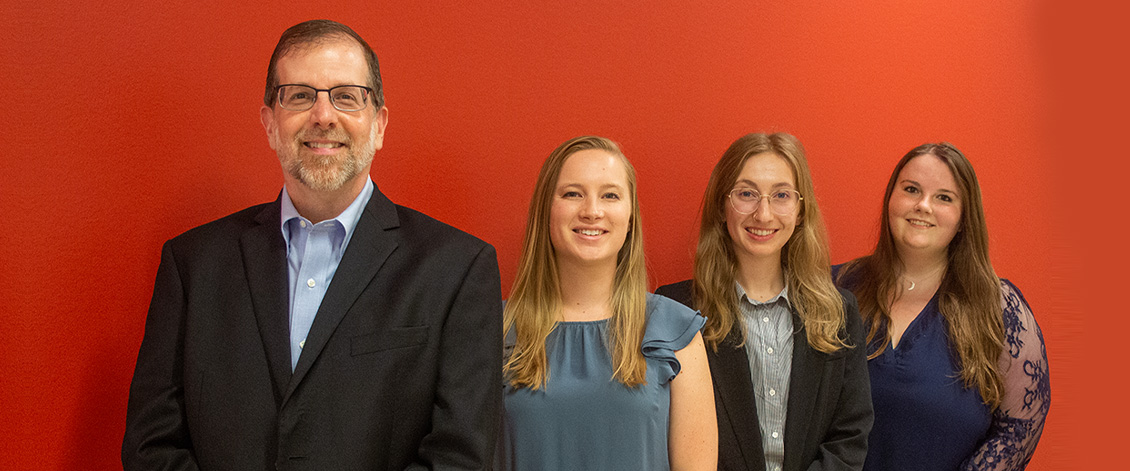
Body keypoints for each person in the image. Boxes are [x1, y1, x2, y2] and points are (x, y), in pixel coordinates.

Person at [122, 20, 503, 470]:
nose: (323, 116)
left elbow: (461, 456)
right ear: (269, 123)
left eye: (346, 96)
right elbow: (151, 445)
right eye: (300, 95)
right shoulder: (193, 265)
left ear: (378, 125)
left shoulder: (457, 269)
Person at [497, 136, 717, 470]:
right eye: (573, 194)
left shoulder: (675, 332)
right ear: (546, 210)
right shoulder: (493, 330)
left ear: (630, 217)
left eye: (610, 195)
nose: (592, 211)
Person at [657, 133, 873, 471]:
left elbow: (850, 436)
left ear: (801, 210)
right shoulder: (674, 312)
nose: (764, 213)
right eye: (746, 194)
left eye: (782, 195)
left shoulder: (839, 313)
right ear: (721, 205)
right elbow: (665, 438)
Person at [834, 143, 1049, 470]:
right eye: (911, 190)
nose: (923, 205)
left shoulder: (1000, 309)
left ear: (964, 217)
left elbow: (1018, 429)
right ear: (890, 200)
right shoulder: (835, 288)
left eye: (944, 197)